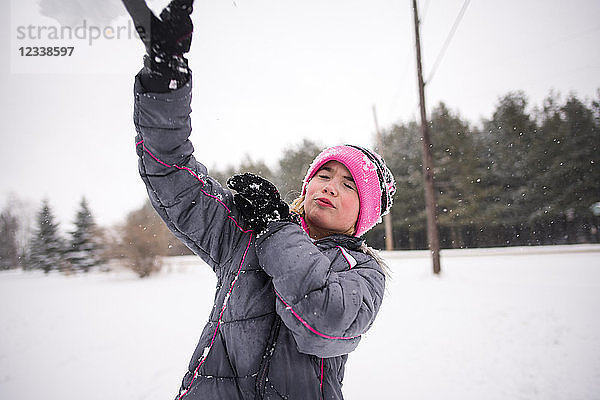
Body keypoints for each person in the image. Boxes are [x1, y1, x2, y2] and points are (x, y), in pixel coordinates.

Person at [124, 0, 396, 399]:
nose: (331, 186)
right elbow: (173, 176)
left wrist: (277, 227)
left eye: (350, 184)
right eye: (324, 174)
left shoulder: (363, 273)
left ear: (365, 215)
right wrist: (166, 83)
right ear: (306, 187)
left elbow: (320, 321)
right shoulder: (246, 235)